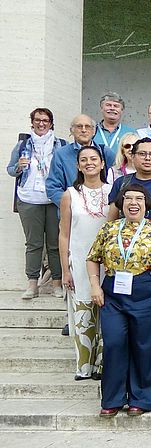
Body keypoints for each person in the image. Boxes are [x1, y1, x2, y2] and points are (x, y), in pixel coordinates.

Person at [87, 183, 151, 417]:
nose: (133, 203)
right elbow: (92, 258)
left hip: (146, 291)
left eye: (139, 198)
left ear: (146, 204)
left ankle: (142, 398)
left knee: (145, 346)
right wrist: (95, 286)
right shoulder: (109, 229)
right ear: (121, 203)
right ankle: (113, 398)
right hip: (113, 293)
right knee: (115, 343)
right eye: (128, 198)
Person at [59, 146, 112, 380]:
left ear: (102, 164)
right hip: (79, 258)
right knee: (83, 312)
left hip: (107, 260)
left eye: (94, 159)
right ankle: (84, 366)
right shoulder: (70, 194)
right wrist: (64, 269)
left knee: (107, 311)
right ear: (78, 165)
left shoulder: (113, 191)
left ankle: (102, 363)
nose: (89, 163)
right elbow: (63, 234)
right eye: (84, 160)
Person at [7, 107, 67, 299]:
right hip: (29, 199)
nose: (41, 124)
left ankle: (56, 284)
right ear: (32, 122)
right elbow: (10, 169)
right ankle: (32, 284)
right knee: (33, 244)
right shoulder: (23, 145)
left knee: (55, 244)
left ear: (51, 123)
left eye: (46, 120)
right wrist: (18, 167)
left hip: (53, 199)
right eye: (38, 120)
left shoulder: (60, 145)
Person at [47, 114, 116, 208]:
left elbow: (116, 179)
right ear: (72, 131)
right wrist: (70, 205)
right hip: (72, 213)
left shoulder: (105, 152)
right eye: (79, 126)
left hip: (101, 209)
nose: (84, 130)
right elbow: (53, 187)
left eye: (87, 126)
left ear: (93, 131)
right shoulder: (61, 154)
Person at [95, 92, 136, 161]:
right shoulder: (92, 131)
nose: (112, 108)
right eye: (108, 105)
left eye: (116, 106)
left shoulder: (131, 133)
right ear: (101, 108)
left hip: (121, 171)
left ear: (122, 110)